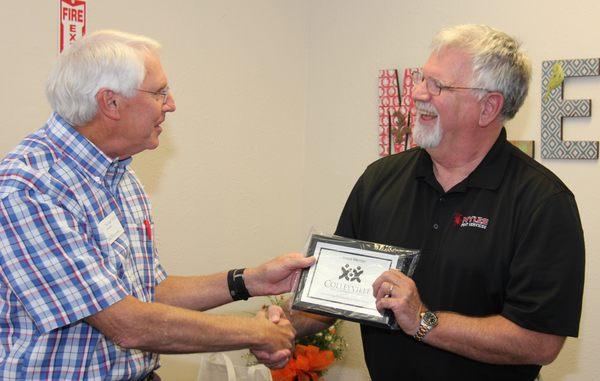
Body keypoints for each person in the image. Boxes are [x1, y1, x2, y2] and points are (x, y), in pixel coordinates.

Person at [258, 24, 585, 380]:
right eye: (420, 79)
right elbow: (335, 293)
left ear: (488, 107)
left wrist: (424, 321)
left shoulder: (543, 202)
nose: (416, 94)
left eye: (437, 86)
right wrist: (284, 323)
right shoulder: (379, 180)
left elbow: (540, 341)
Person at [0, 30, 313, 380]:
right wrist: (257, 333)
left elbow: (148, 291)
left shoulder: (120, 176)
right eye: (159, 92)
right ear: (111, 103)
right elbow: (126, 322)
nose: (171, 104)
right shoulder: (30, 188)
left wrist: (251, 281)